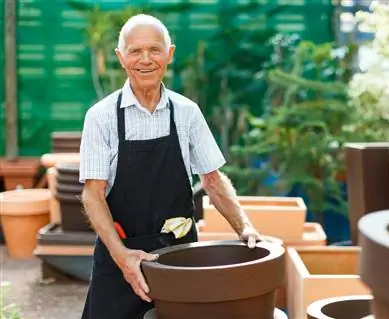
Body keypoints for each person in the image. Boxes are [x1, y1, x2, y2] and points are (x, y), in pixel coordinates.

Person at [78, 14, 260, 319]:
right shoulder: (102, 117)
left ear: (170, 54)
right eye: (135, 51)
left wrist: (245, 227)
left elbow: (213, 181)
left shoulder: (187, 113)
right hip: (120, 258)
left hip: (178, 259)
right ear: (121, 58)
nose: (146, 60)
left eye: (155, 50)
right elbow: (92, 195)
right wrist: (122, 257)